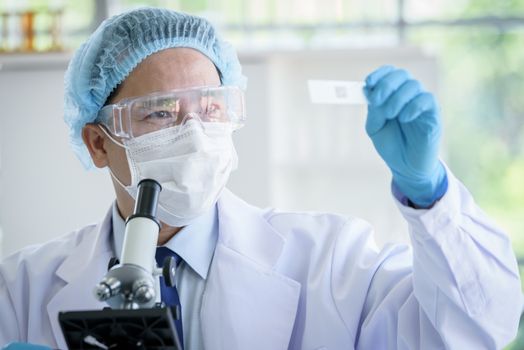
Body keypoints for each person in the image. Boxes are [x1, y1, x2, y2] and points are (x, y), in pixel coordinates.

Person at [0, 7, 522, 350]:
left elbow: (477, 330)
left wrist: (430, 195)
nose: (196, 134)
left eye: (211, 109)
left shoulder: (333, 263)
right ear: (97, 143)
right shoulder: (22, 289)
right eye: (159, 114)